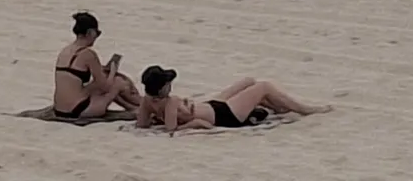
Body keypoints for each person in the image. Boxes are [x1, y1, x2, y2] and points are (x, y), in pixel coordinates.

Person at [136, 65, 332, 135]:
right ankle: (305, 110)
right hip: (225, 115)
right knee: (263, 86)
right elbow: (171, 130)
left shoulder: (148, 100)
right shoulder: (169, 102)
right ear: (162, 87)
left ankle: (279, 107)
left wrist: (163, 116)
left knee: (249, 81)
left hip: (213, 105)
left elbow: (142, 125)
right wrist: (192, 123)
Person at [52, 11, 142, 119]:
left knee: (101, 82)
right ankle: (139, 105)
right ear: (90, 32)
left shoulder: (65, 51)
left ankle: (135, 106)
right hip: (78, 110)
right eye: (97, 33)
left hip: (60, 109)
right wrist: (113, 70)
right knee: (117, 82)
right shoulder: (88, 54)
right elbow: (105, 87)